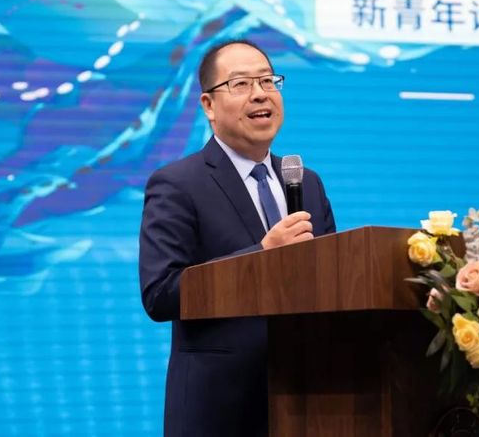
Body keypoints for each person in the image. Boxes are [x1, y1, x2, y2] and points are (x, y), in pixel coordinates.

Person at [138, 39, 336, 436]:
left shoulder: (306, 182)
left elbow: (334, 282)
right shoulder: (177, 184)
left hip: (308, 401)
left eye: (268, 81)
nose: (260, 94)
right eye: (241, 84)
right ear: (208, 105)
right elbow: (160, 294)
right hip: (219, 411)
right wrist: (261, 255)